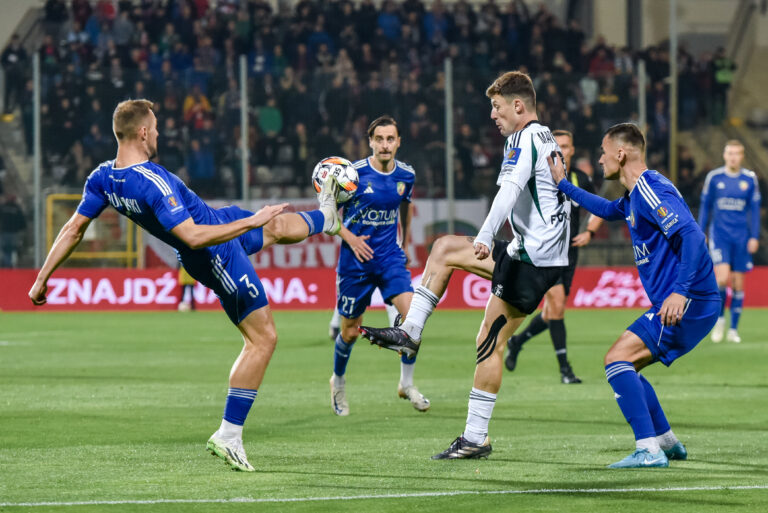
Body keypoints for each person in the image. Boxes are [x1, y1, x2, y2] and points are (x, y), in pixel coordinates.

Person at [28, 99, 341, 472]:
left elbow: (73, 228)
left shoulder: (103, 178)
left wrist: (41, 279)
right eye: (156, 127)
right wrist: (250, 221)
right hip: (213, 252)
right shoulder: (152, 181)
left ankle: (327, 216)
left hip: (216, 223)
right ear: (143, 132)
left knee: (275, 226)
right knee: (263, 338)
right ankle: (229, 435)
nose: (159, 134)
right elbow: (191, 236)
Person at [361, 71, 571, 459]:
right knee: (447, 255)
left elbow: (509, 191)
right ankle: (411, 334)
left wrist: (486, 236)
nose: (492, 114)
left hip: (529, 258)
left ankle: (473, 434)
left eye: (497, 106)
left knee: (487, 337)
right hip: (543, 257)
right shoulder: (546, 137)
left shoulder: (522, 138)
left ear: (518, 106)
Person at [550, 123, 720, 468]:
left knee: (616, 360)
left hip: (689, 301)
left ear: (620, 153)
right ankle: (667, 443)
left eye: (603, 152)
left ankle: (648, 450)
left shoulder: (651, 189)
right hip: (688, 301)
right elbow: (606, 210)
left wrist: (680, 292)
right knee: (630, 367)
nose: (600, 160)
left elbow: (692, 236)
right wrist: (563, 185)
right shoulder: (634, 196)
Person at [329, 115, 430, 416]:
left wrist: (405, 242)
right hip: (355, 263)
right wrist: (350, 238)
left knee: (413, 322)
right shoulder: (352, 175)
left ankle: (406, 384)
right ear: (370, 142)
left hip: (389, 259)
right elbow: (328, 215)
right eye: (379, 139)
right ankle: (338, 381)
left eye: (390, 139)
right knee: (349, 332)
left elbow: (405, 207)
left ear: (398, 142)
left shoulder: (406, 175)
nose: (385, 145)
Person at [505, 129, 604, 383]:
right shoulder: (539, 175)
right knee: (557, 306)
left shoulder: (580, 178)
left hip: (570, 253)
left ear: (572, 150)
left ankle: (517, 341)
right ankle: (565, 370)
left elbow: (598, 208)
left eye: (566, 146)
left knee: (551, 312)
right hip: (546, 252)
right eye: (557, 145)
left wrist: (589, 232)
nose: (562, 150)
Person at [698, 140, 761, 343]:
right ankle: (720, 320)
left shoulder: (749, 179)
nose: (733, 157)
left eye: (736, 153)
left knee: (738, 284)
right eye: (730, 153)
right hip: (720, 235)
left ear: (742, 156)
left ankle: (733, 329)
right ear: (724, 155)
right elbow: (705, 206)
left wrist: (754, 236)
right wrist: (701, 231)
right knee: (723, 279)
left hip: (741, 237)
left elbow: (754, 211)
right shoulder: (714, 177)